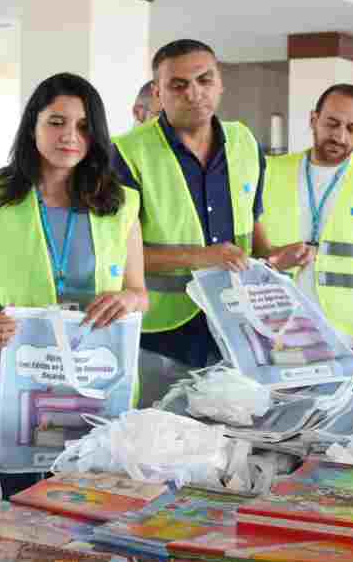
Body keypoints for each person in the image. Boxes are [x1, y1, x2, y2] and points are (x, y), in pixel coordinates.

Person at [0, 73, 149, 497]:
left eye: (83, 126)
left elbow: (139, 292)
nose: (70, 136)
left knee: (86, 509)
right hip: (9, 389)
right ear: (32, 126)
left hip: (93, 388)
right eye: (56, 122)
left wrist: (126, 299)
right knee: (4, 512)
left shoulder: (120, 204)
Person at [110, 39, 310, 406]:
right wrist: (203, 256)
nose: (194, 93)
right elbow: (114, 256)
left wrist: (273, 258)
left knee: (232, 443)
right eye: (178, 85)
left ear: (220, 83)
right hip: (161, 335)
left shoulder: (244, 141)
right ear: (158, 92)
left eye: (204, 80)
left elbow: (253, 228)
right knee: (158, 446)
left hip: (237, 325)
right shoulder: (126, 153)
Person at [261, 84, 353, 376]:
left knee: (333, 417)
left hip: (345, 335)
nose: (340, 136)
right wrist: (273, 259)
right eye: (332, 123)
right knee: (278, 417)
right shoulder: (270, 171)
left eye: (352, 128)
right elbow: (249, 246)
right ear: (314, 120)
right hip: (276, 329)